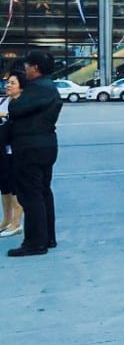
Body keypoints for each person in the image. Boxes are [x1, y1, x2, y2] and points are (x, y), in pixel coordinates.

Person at [6, 51, 63, 257]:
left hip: (30, 147)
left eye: (28, 66)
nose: (26, 70)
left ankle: (35, 242)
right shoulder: (50, 87)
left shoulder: (37, 88)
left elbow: (17, 109)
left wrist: (15, 100)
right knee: (43, 192)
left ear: (35, 68)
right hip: (46, 145)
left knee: (31, 195)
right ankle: (48, 237)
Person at [0, 71, 25, 237]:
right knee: (4, 186)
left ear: (21, 88)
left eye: (13, 83)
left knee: (16, 186)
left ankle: (16, 222)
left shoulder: (22, 104)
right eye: (8, 82)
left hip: (16, 150)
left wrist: (5, 115)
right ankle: (6, 219)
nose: (8, 85)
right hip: (2, 149)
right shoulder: (3, 101)